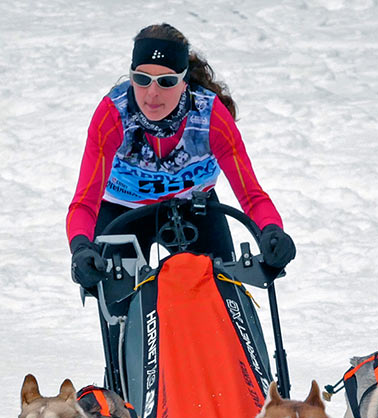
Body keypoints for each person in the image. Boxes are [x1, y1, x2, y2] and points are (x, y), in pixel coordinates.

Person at [66, 23, 296, 288]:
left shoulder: (211, 117)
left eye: (166, 82)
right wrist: (81, 247)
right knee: (118, 303)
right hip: (121, 209)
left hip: (195, 207)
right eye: (142, 79)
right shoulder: (112, 115)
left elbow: (252, 196)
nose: (152, 94)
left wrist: (271, 231)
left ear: (184, 82)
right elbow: (84, 202)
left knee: (219, 297)